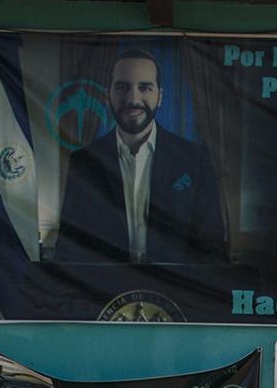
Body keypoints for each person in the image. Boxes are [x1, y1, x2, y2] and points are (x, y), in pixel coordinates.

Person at [54, 49, 228, 266]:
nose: (133, 99)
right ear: (108, 95)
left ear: (160, 96)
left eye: (145, 88)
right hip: (105, 295)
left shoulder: (195, 160)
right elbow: (70, 245)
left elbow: (211, 246)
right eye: (122, 87)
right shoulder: (83, 162)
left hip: (175, 294)